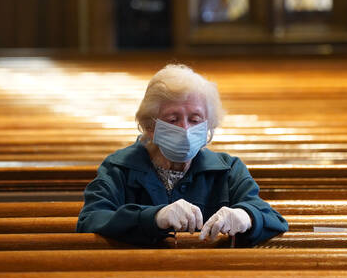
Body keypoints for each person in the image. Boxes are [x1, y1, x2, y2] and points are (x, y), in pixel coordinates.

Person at [76, 63, 288, 246]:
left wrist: (246, 216)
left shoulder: (228, 170)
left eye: (195, 120)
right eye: (173, 119)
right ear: (151, 126)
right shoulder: (119, 168)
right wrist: (155, 217)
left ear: (208, 125)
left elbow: (272, 218)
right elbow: (90, 220)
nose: (185, 129)